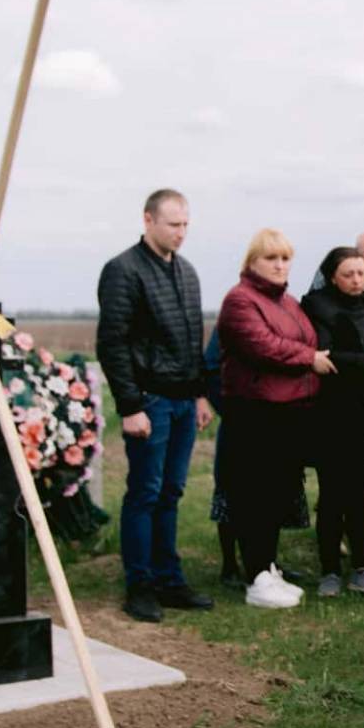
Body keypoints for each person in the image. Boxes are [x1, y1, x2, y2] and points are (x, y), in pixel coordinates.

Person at [96, 189, 216, 623]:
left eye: (186, 225)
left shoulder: (187, 273)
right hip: (149, 400)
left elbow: (192, 339)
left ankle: (170, 579)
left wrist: (201, 393)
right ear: (148, 220)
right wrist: (130, 405)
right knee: (145, 492)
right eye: (173, 224)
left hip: (184, 400)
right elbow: (112, 344)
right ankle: (140, 585)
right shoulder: (123, 271)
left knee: (172, 492)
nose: (181, 233)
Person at [218, 228, 333, 608]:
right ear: (252, 263)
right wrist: (308, 359)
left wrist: (305, 355)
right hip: (255, 413)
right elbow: (263, 347)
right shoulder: (240, 301)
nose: (281, 265)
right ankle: (256, 578)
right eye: (272, 258)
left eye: (285, 258)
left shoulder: (287, 302)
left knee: (274, 497)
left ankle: (267, 567)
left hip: (289, 413)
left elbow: (303, 339)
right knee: (254, 496)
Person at [302, 247, 364, 597]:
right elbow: (325, 355)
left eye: (360, 273)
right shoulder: (316, 305)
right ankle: (329, 570)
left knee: (360, 494)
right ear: (332, 277)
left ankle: (361, 568)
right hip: (331, 413)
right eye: (348, 274)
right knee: (331, 495)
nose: (357, 280)